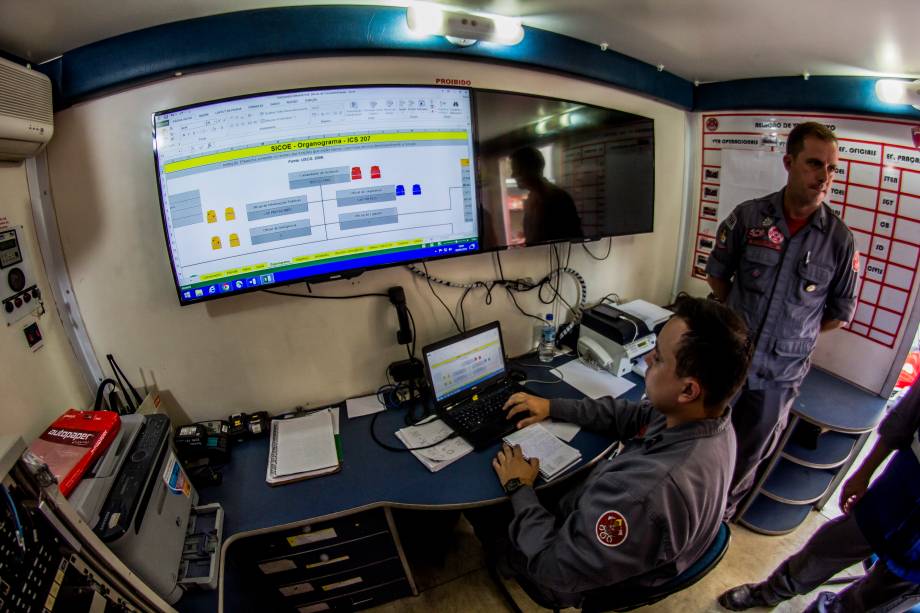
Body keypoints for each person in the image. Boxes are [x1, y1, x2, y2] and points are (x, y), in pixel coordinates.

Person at [471, 296, 751, 609]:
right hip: (628, 537)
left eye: (657, 358)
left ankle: (503, 560)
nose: (645, 361)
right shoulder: (710, 418)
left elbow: (554, 569)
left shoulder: (641, 496)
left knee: (486, 511)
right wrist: (551, 406)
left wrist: (518, 488)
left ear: (688, 390)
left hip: (570, 575)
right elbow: (630, 416)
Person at [705, 122, 859, 518]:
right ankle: (689, 510)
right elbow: (718, 275)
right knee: (700, 441)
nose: (824, 177)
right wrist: (738, 323)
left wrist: (792, 333)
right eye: (814, 164)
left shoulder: (839, 240)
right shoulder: (749, 217)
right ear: (788, 162)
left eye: (832, 168)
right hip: (728, 362)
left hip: (779, 376)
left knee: (747, 457)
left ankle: (716, 523)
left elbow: (838, 315)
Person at [718, 382, 920, 612]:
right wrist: (864, 472)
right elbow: (902, 421)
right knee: (828, 549)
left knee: (869, 602)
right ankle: (770, 592)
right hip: (898, 492)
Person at [509, 146, 583, 244]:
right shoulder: (532, 199)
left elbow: (574, 240)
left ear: (530, 169)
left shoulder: (558, 199)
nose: (513, 175)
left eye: (517, 170)